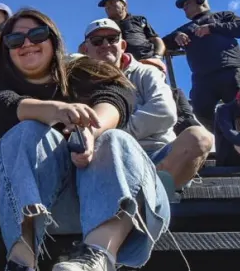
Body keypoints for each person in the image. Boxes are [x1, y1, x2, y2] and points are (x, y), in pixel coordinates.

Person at [0, 8, 169, 271]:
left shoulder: (82, 70)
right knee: (25, 131)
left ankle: (99, 255)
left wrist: (91, 130)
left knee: (114, 139)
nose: (28, 43)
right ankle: (20, 264)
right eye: (15, 40)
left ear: (53, 39)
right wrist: (54, 110)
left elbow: (118, 95)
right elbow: (3, 108)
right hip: (48, 210)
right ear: (6, 49)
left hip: (111, 202)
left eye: (37, 34)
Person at [82, 18, 213, 191]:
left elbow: (164, 113)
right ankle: (152, 197)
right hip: (107, 159)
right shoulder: (78, 82)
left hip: (157, 154)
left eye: (112, 38)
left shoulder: (147, 72)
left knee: (200, 137)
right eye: (97, 41)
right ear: (85, 49)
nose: (105, 44)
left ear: (122, 45)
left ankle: (152, 193)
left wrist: (115, 133)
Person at [163, 0, 240, 132]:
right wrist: (176, 37)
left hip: (231, 70)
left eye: (187, 3)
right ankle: (225, 137)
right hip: (202, 78)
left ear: (200, 0)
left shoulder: (223, 16)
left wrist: (212, 28)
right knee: (200, 111)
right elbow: (163, 43)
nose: (184, 8)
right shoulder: (185, 29)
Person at [97, 0, 165, 63]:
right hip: (116, 66)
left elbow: (156, 39)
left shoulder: (139, 20)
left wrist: (157, 57)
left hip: (145, 61)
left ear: (124, 6)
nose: (107, 7)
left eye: (111, 3)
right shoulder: (103, 25)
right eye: (106, 5)